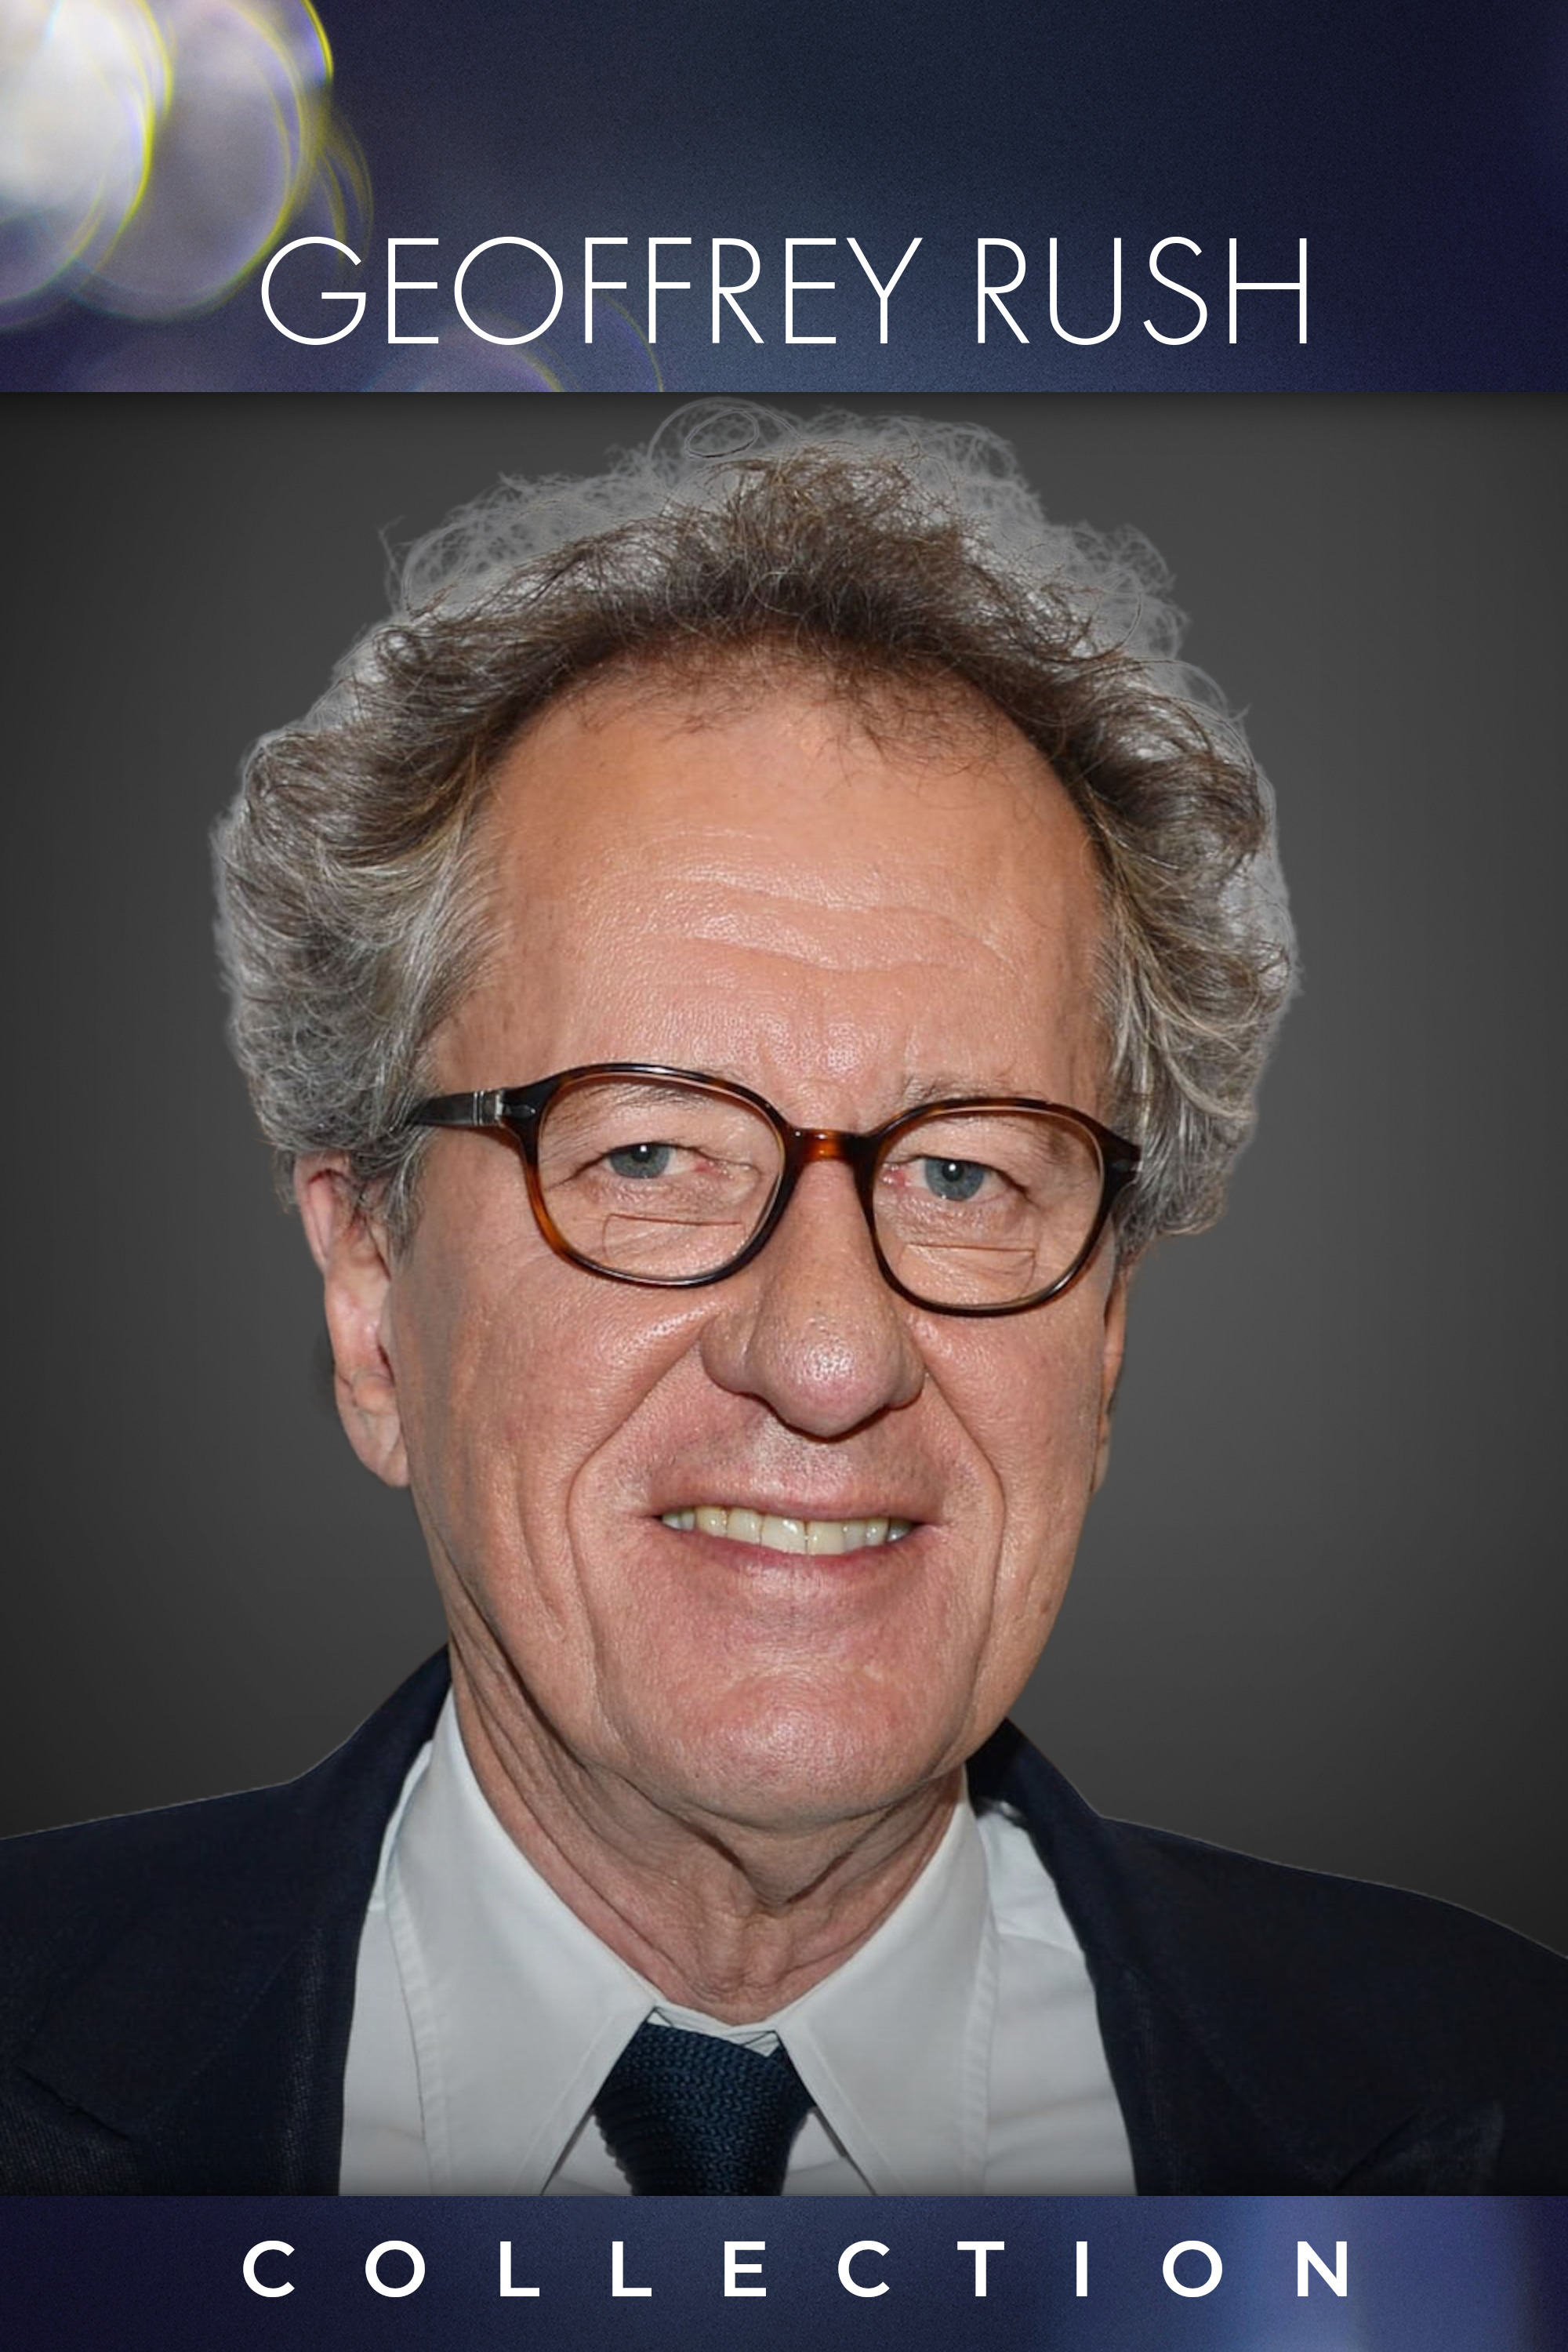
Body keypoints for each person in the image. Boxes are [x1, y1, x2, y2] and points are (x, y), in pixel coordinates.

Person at [2, 405, 1563, 2195]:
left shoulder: (1503, 2110)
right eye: (651, 1154)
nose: (827, 1355)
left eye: (965, 1175)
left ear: (1106, 1338)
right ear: (371, 1296)